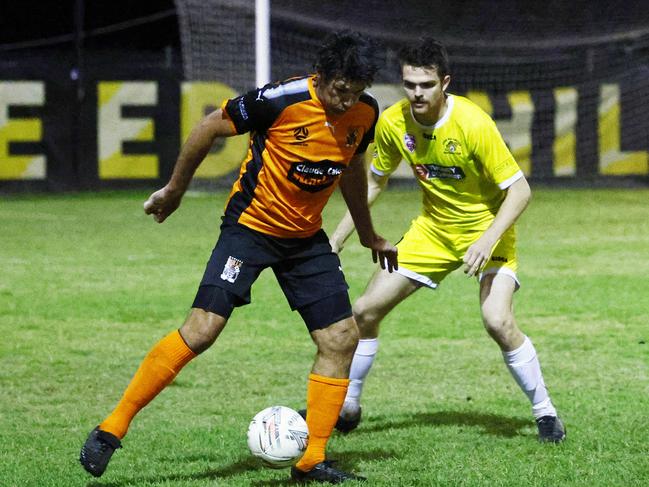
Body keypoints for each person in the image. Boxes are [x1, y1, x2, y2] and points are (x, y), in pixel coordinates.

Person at [79, 31, 398, 483]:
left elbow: (349, 169)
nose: (346, 101)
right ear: (322, 76)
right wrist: (174, 191)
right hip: (249, 229)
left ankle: (312, 461)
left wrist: (368, 235)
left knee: (342, 338)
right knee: (201, 331)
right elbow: (209, 127)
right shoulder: (281, 99)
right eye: (339, 90)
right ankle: (111, 428)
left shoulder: (365, 112)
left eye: (355, 91)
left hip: (306, 240)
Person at [327, 37, 565, 443]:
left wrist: (488, 239)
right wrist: (337, 238)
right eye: (410, 84)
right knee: (364, 311)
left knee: (498, 320)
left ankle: (546, 414)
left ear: (445, 83)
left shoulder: (473, 124)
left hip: (488, 231)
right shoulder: (393, 122)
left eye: (426, 84)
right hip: (432, 232)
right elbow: (373, 183)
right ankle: (347, 407)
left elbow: (520, 190)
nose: (417, 93)